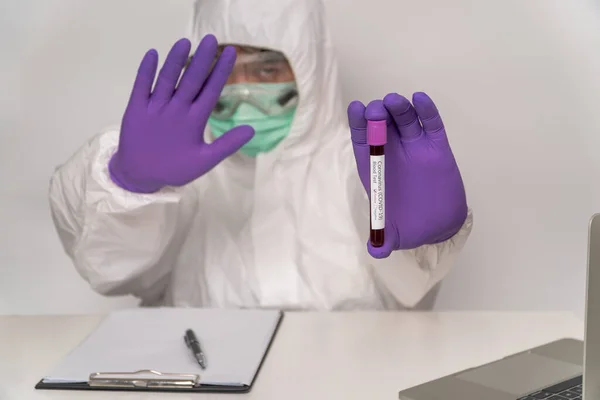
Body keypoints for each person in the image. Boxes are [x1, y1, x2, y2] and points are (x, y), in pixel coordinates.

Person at [48, 0, 473, 311]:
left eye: (268, 69)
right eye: (225, 68)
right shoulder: (183, 177)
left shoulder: (362, 169)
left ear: (312, 65)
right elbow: (108, 270)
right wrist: (126, 184)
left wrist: (431, 239)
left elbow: (411, 287)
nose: (246, 88)